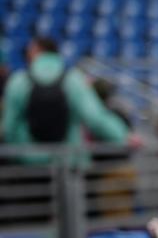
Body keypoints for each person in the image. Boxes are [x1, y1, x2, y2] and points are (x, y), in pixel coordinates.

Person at [1, 36, 129, 166]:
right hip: (68, 164)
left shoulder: (18, 82)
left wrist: (17, 157)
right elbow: (95, 118)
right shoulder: (73, 79)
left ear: (36, 52)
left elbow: (9, 128)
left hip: (28, 165)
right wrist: (123, 137)